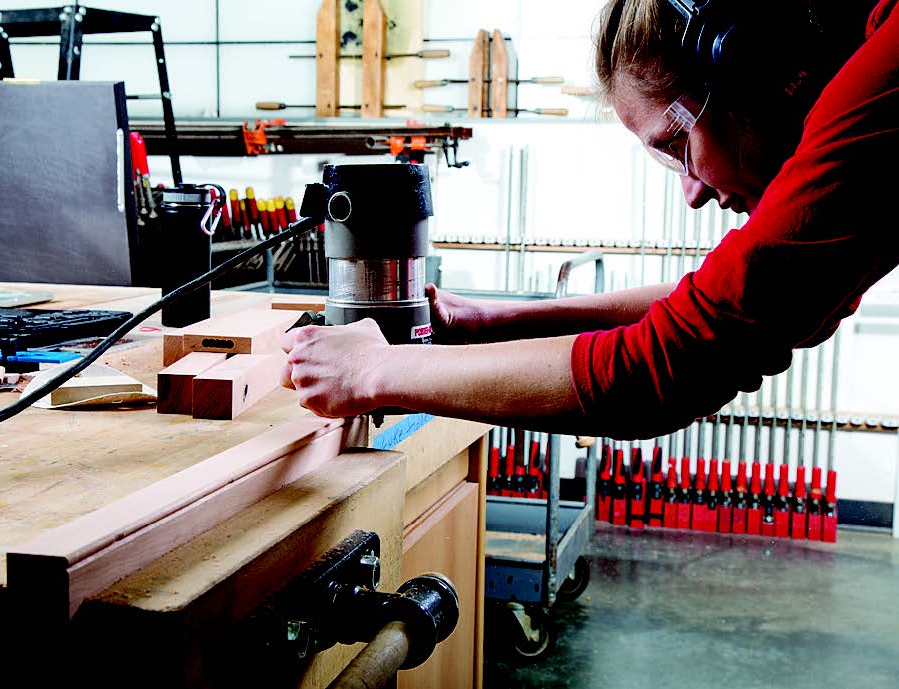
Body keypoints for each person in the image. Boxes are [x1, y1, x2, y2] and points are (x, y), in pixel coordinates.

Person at [281, 0, 899, 439]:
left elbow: (667, 366)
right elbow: (734, 299)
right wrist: (488, 322)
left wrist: (374, 371)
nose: (691, 192)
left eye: (678, 145)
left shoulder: (887, 80)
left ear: (752, 65)